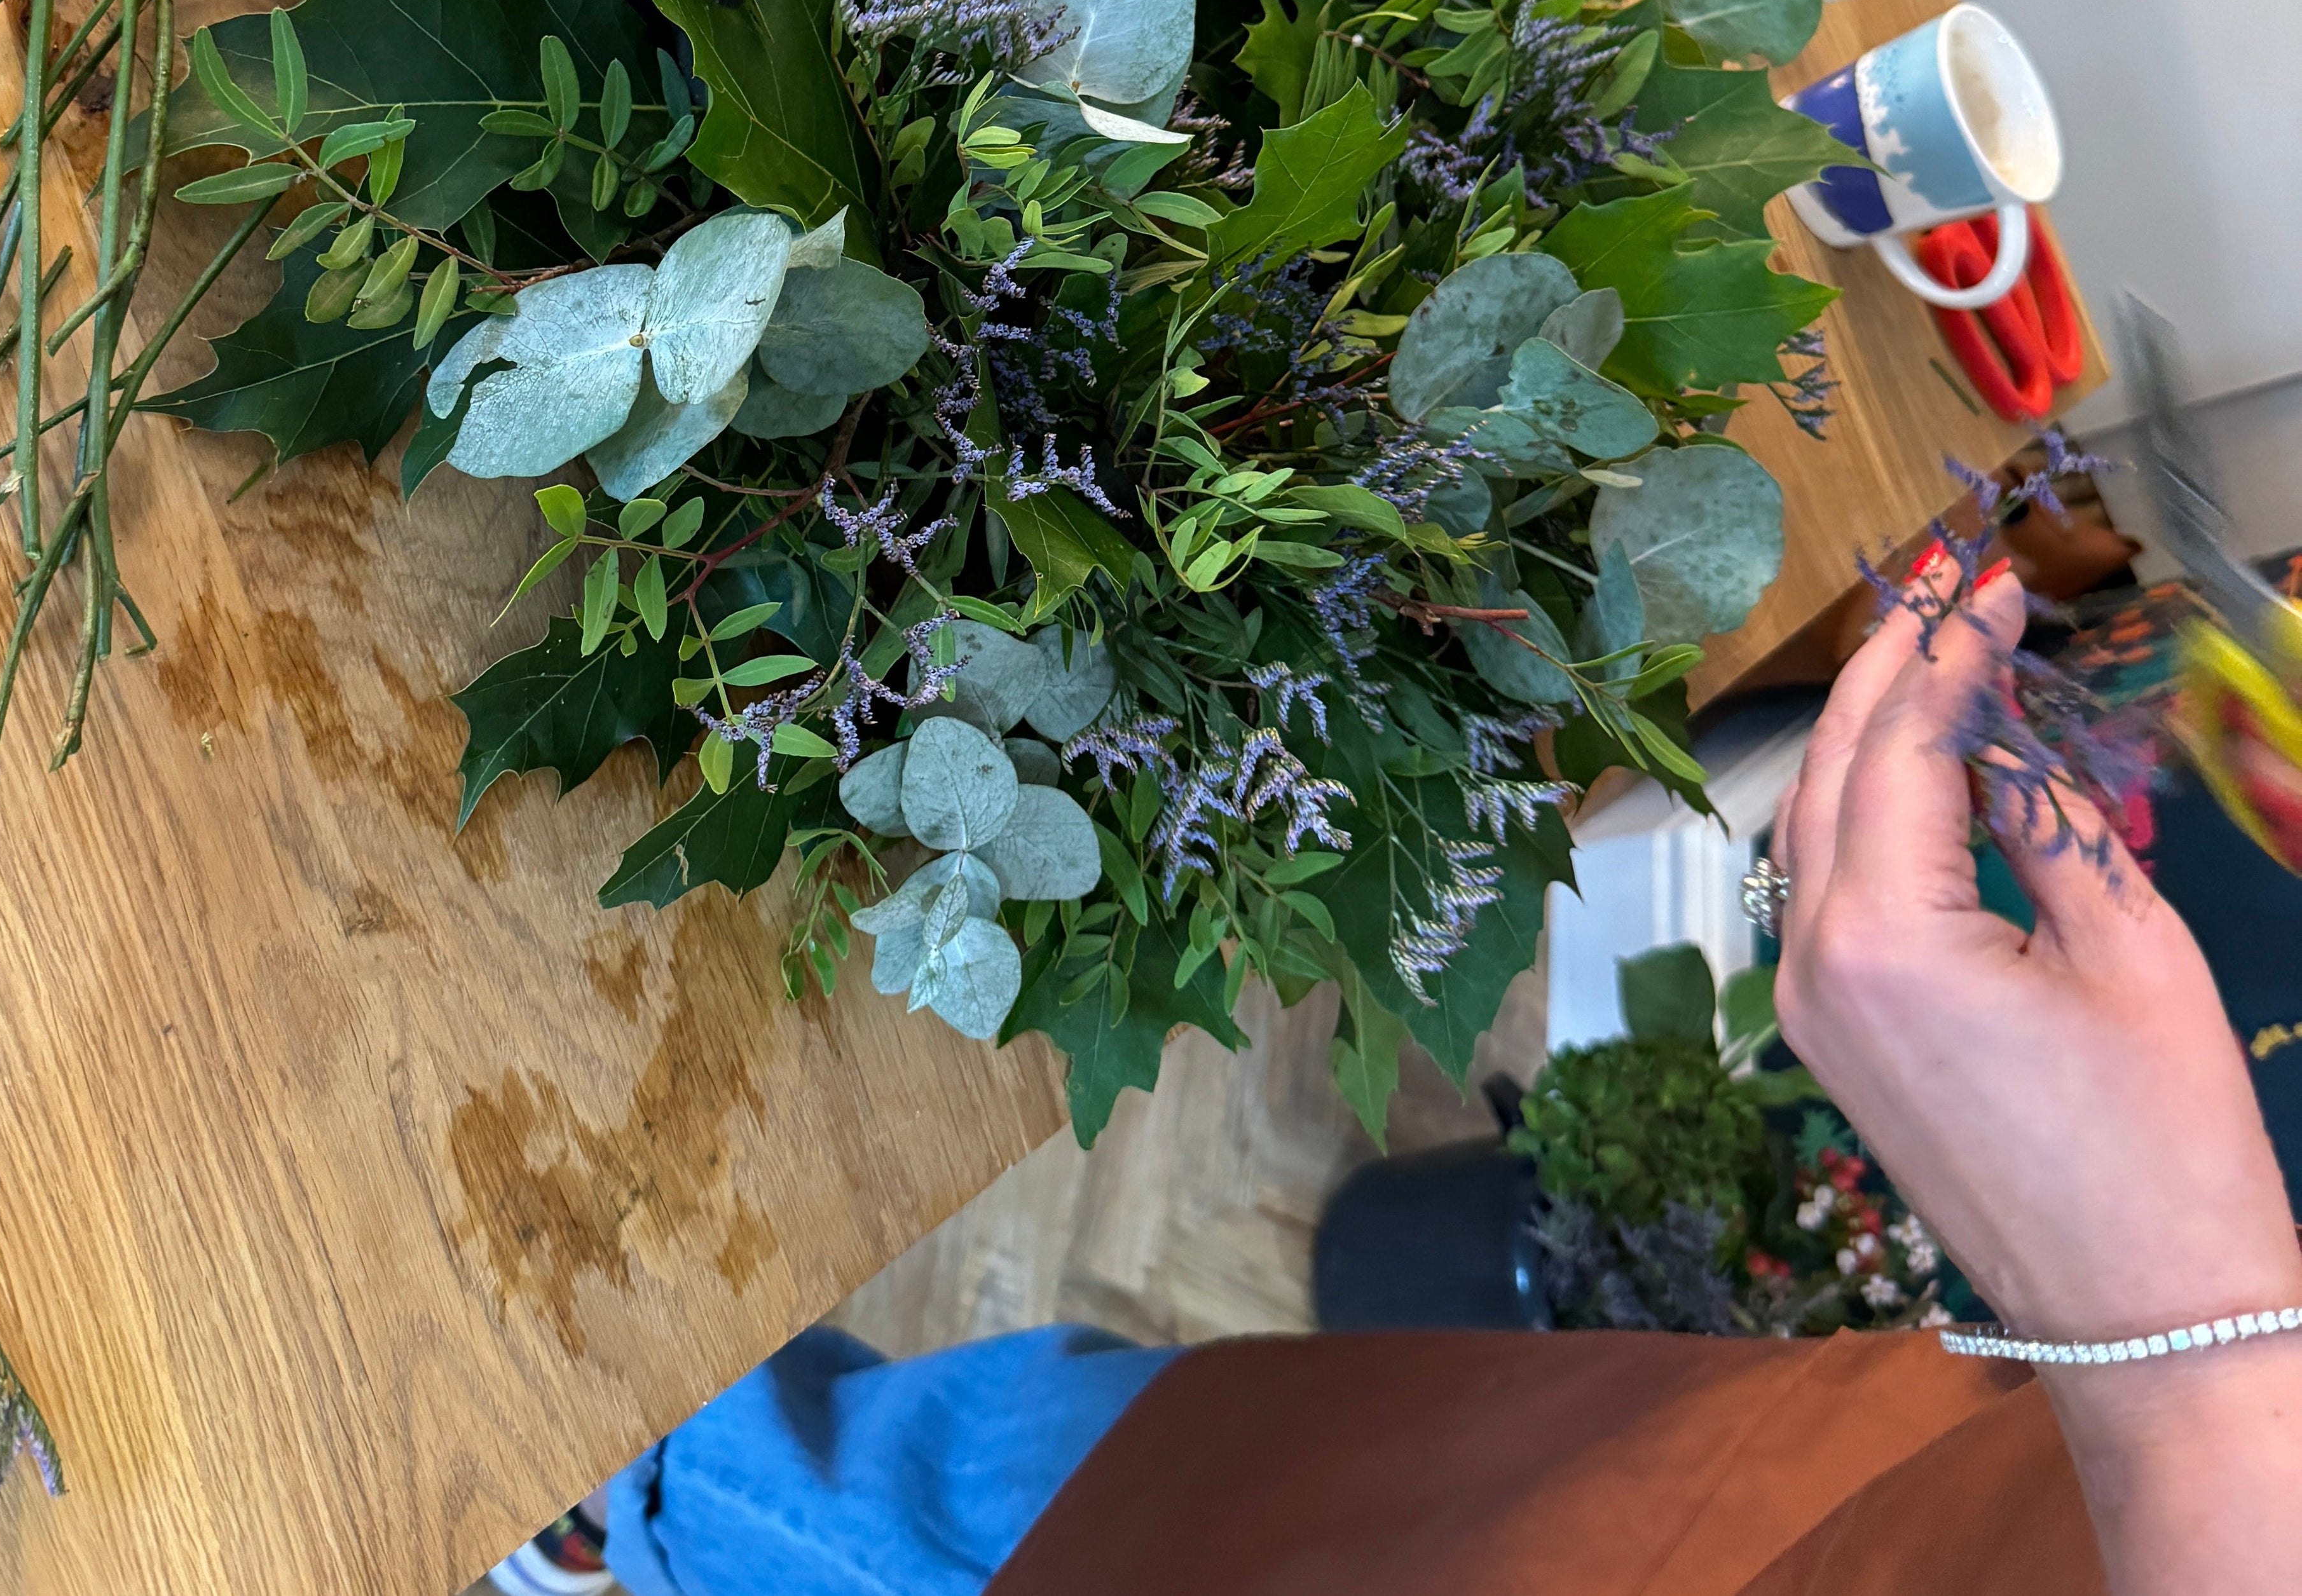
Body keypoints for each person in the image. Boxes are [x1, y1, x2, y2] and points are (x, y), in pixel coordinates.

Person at [490, 570, 2302, 1596]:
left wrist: (2185, 1370)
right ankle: (674, 1490)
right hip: (1862, 1503)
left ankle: (641, 1511)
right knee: (1121, 1477)